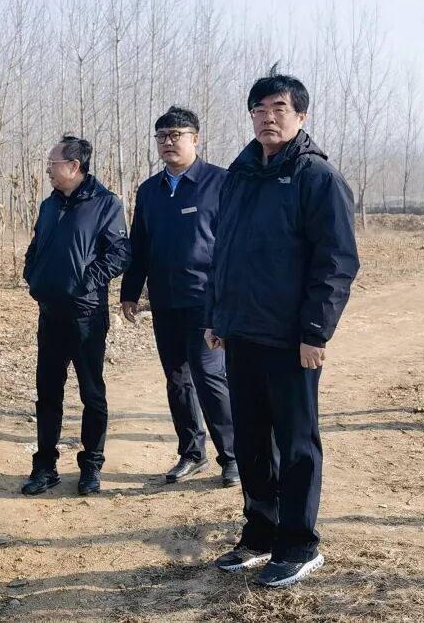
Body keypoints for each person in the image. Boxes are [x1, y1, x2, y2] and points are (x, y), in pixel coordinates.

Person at [205, 69, 359, 588]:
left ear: (301, 116)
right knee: (250, 441)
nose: (267, 119)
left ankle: (298, 544)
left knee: (295, 444)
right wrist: (216, 317)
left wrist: (315, 332)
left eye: (279, 109)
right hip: (241, 333)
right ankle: (260, 533)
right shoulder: (240, 175)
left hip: (292, 339)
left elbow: (336, 261)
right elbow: (222, 252)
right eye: (259, 110)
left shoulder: (317, 177)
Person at [120, 107, 238, 487]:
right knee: (177, 379)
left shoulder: (220, 182)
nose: (168, 142)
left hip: (206, 300)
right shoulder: (149, 191)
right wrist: (130, 292)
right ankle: (192, 452)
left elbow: (233, 244)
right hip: (165, 300)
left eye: (176, 135)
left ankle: (233, 456)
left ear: (195, 138)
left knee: (209, 376)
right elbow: (140, 245)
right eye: (162, 136)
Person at [21, 135, 130, 497]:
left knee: (91, 393)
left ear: (73, 166)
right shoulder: (49, 205)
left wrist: (85, 281)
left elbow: (119, 254)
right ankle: (45, 466)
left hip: (87, 316)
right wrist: (33, 275)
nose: (48, 170)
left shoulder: (105, 203)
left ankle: (91, 465)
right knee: (47, 394)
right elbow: (35, 246)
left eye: (52, 164)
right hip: (50, 314)